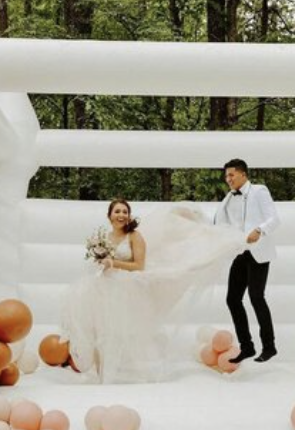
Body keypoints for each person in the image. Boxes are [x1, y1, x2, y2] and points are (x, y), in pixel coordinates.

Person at [61, 198, 245, 383]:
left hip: (125, 288)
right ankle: (102, 373)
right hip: (104, 287)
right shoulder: (104, 238)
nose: (121, 215)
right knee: (101, 329)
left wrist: (113, 263)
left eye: (125, 211)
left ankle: (123, 373)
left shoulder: (134, 236)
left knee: (121, 331)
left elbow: (138, 265)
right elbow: (99, 262)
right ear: (109, 216)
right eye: (117, 211)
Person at [214, 159, 280, 363]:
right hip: (240, 252)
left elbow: (274, 219)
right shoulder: (228, 198)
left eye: (231, 175)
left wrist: (259, 230)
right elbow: (220, 223)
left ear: (243, 174)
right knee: (232, 299)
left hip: (259, 251)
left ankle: (269, 347)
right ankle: (247, 347)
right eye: (226, 176)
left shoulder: (259, 191)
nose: (228, 179)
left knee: (256, 297)